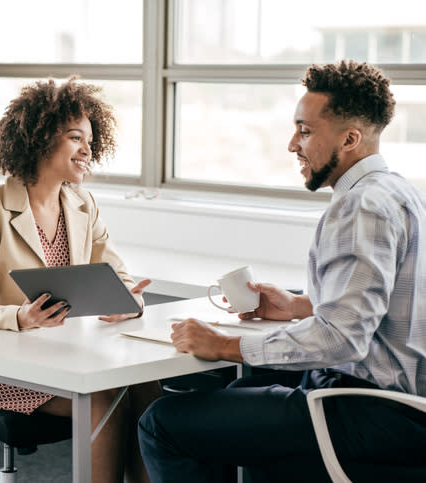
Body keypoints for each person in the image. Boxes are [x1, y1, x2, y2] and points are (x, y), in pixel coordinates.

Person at [138, 60, 426, 483]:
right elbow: (387, 306)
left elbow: (342, 338)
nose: (293, 144)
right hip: (405, 409)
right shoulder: (400, 191)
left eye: (305, 131)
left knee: (163, 423)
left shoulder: (359, 206)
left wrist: (225, 345)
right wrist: (299, 306)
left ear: (350, 139)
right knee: (236, 398)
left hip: (366, 411)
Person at [0, 77, 161, 482]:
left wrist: (130, 300)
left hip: (59, 355)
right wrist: (19, 317)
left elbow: (116, 274)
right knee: (104, 397)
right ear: (39, 140)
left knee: (146, 386)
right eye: (76, 137)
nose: (88, 149)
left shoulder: (82, 202)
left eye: (90, 139)